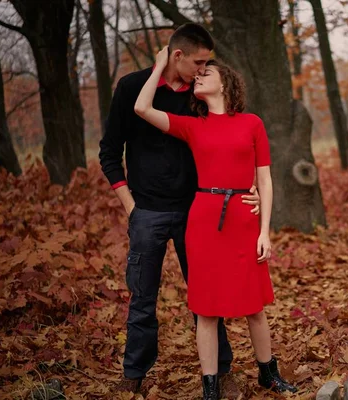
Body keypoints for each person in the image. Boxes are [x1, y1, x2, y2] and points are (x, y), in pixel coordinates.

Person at [98, 23, 258, 398]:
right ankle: (133, 375)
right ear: (177, 56)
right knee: (142, 297)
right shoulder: (131, 87)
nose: (204, 70)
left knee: (209, 298)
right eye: (199, 63)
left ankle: (221, 373)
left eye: (208, 65)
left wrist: (247, 188)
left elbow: (232, 136)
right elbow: (109, 152)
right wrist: (131, 206)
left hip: (198, 210)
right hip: (147, 212)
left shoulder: (200, 95)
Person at [133, 47, 298, 400]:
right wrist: (160, 66)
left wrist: (265, 230)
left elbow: (264, 180)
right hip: (204, 220)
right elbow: (142, 108)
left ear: (225, 84)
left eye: (206, 73)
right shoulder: (194, 127)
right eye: (198, 73)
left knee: (254, 306)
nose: (199, 76)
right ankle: (210, 388)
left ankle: (268, 373)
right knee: (205, 309)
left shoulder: (252, 123)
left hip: (243, 218)